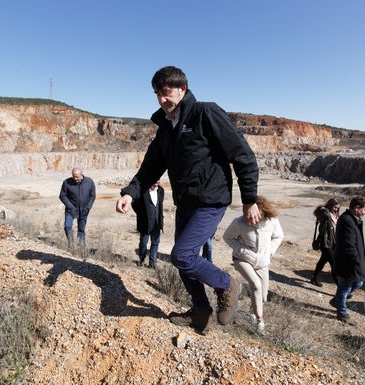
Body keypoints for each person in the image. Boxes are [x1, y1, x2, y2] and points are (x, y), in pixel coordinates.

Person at [116, 66, 261, 335]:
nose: (161, 100)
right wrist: (129, 192)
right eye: (157, 94)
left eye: (166, 92)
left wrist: (249, 198)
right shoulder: (165, 130)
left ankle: (227, 284)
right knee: (182, 259)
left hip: (210, 200)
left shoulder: (205, 113)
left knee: (182, 256)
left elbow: (242, 154)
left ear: (182, 89)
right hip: (185, 202)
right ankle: (200, 311)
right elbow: (150, 168)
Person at [223, 196, 284, 334]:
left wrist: (269, 252)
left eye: (260, 214)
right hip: (242, 259)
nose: (255, 218)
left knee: (263, 296)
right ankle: (260, 321)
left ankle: (253, 312)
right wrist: (244, 251)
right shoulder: (239, 222)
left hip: (262, 262)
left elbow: (279, 236)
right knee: (255, 284)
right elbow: (227, 237)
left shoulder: (272, 221)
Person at [331, 195, 365, 325]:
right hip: (347, 261)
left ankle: (337, 300)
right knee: (344, 287)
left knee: (358, 283)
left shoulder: (353, 219)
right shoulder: (348, 220)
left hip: (352, 260)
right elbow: (349, 245)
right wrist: (356, 261)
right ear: (356, 208)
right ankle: (342, 313)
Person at [59, 167, 96, 248]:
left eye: (77, 177)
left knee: (81, 230)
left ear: (81, 174)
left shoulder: (89, 182)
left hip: (84, 210)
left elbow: (92, 195)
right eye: (74, 176)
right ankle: (71, 244)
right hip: (70, 210)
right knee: (67, 226)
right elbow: (62, 196)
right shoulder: (66, 182)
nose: (75, 179)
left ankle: (80, 247)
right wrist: (70, 207)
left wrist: (88, 207)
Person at [132, 181, 165, 268]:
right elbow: (134, 203)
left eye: (158, 183)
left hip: (157, 222)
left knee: (155, 242)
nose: (155, 185)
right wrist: (141, 214)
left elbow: (160, 205)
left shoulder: (161, 191)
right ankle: (141, 259)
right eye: (154, 182)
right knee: (143, 242)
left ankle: (152, 263)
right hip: (145, 223)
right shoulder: (143, 191)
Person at [310, 198, 341, 287]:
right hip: (326, 242)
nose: (336, 210)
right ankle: (341, 288)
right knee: (334, 264)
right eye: (335, 207)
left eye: (338, 208)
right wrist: (325, 209)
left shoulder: (335, 215)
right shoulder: (324, 214)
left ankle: (314, 278)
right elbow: (324, 216)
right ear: (330, 205)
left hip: (333, 242)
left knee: (322, 261)